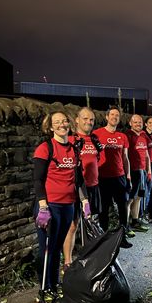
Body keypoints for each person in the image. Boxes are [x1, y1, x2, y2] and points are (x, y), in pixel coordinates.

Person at [33, 110, 89, 303]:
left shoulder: (74, 149)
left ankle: (55, 283)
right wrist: (42, 206)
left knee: (56, 247)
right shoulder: (45, 148)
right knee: (46, 249)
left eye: (64, 121)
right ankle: (44, 288)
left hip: (68, 205)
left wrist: (84, 201)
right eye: (57, 122)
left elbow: (79, 178)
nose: (62, 125)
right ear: (50, 127)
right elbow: (38, 181)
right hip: (50, 206)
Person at [63, 107, 103, 270]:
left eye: (91, 119)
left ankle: (90, 257)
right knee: (73, 225)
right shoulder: (71, 140)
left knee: (91, 222)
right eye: (85, 119)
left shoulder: (94, 139)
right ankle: (67, 262)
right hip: (76, 189)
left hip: (93, 186)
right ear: (77, 120)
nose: (89, 122)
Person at [93, 106, 133, 248]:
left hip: (119, 176)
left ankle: (122, 237)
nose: (115, 117)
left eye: (117, 115)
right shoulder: (96, 134)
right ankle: (104, 239)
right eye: (112, 115)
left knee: (122, 208)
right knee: (103, 209)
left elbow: (125, 158)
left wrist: (128, 176)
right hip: (103, 177)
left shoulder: (122, 137)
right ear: (106, 117)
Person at [125, 114, 151, 233]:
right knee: (129, 199)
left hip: (142, 172)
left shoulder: (143, 136)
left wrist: (148, 171)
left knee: (139, 197)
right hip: (133, 172)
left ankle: (135, 221)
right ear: (130, 123)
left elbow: (146, 155)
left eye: (140, 122)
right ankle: (125, 226)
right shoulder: (127, 136)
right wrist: (127, 173)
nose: (138, 124)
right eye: (135, 122)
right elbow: (124, 156)